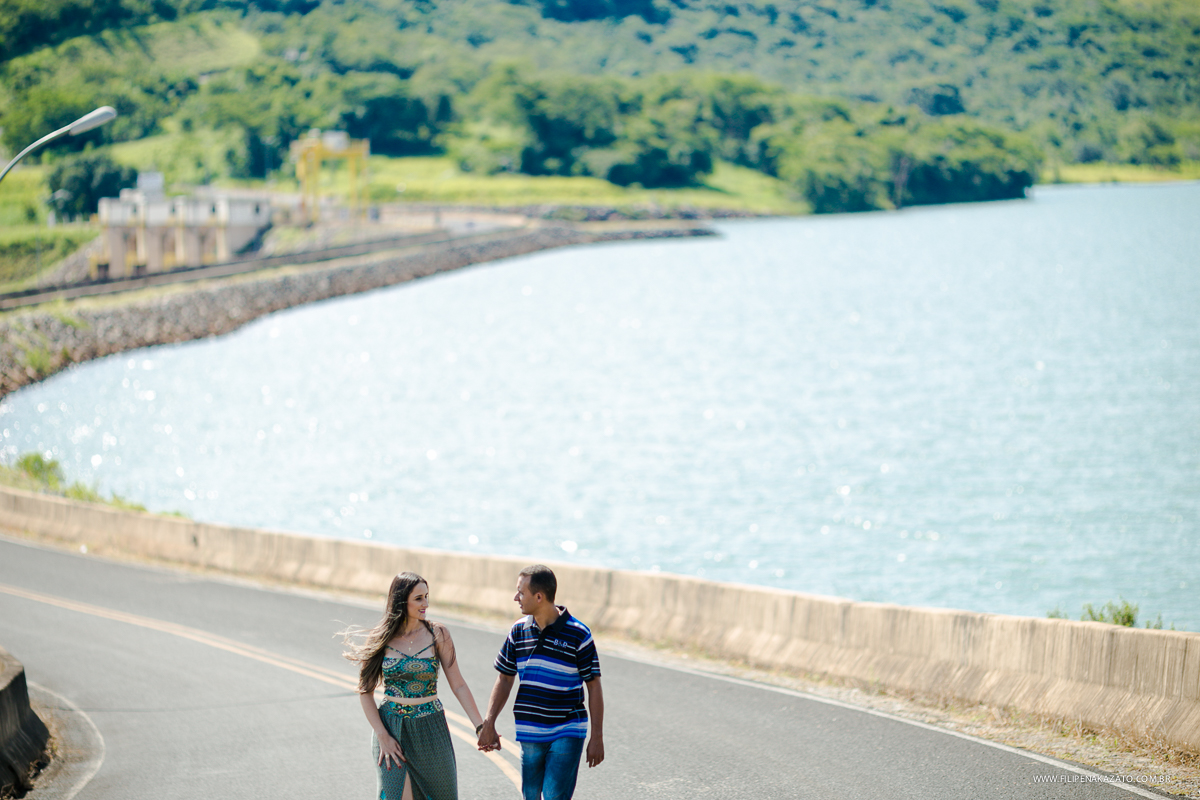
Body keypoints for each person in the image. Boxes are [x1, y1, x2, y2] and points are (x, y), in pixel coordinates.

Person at [344, 572, 487, 800]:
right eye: (419, 598)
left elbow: (458, 684)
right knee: (396, 795)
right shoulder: (380, 638)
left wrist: (480, 726)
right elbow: (365, 691)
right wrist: (382, 735)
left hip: (431, 727)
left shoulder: (438, 634)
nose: (426, 604)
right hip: (392, 728)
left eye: (427, 597)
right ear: (402, 601)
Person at [476, 565, 605, 800]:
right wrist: (489, 722)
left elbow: (593, 685)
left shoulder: (579, 634)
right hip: (530, 731)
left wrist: (597, 736)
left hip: (568, 729)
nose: (516, 598)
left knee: (555, 795)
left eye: (520, 593)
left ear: (539, 596)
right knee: (531, 796)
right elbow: (505, 677)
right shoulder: (518, 631)